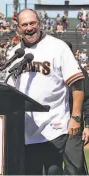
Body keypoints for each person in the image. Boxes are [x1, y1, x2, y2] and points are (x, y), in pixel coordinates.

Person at [7, 8, 85, 175]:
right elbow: (9, 88)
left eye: (32, 23)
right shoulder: (14, 53)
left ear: (39, 24)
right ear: (18, 28)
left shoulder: (58, 47)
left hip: (54, 126)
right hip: (25, 128)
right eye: (24, 24)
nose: (29, 28)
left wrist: (76, 117)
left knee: (53, 172)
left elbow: (77, 85)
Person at [63, 41, 89, 175]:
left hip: (73, 125)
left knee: (74, 168)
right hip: (51, 124)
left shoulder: (80, 71)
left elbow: (87, 101)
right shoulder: (50, 71)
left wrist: (88, 126)